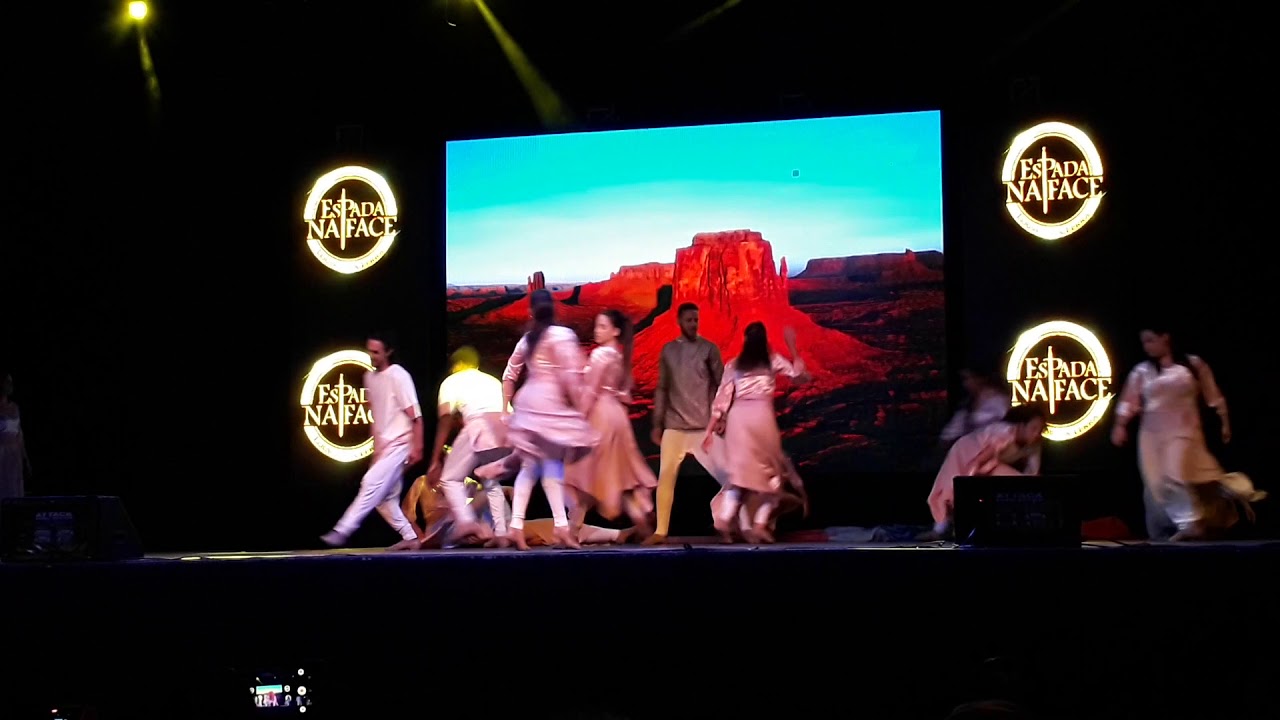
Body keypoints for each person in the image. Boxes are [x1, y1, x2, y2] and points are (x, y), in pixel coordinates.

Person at [1111, 325, 1264, 541]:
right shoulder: (1143, 371)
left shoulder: (1192, 365)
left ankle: (1191, 522)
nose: (1147, 347)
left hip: (1184, 431)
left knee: (1174, 473)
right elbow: (1129, 402)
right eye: (1144, 342)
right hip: (1152, 436)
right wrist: (1120, 425)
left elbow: (1213, 395)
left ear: (1165, 338)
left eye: (1151, 340)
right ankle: (1179, 527)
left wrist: (1225, 422)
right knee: (1157, 485)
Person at [500, 289, 599, 551]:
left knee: (534, 466)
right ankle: (557, 528)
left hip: (529, 405)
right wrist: (580, 407)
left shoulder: (528, 339)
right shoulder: (561, 336)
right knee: (547, 466)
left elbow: (509, 375)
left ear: (531, 311)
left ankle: (527, 527)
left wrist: (506, 408)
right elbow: (570, 375)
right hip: (549, 407)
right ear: (553, 309)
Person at [701, 322, 810, 543]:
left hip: (739, 420)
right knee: (772, 476)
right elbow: (799, 376)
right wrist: (794, 350)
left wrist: (709, 430)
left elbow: (722, 399)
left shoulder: (735, 365)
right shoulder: (772, 360)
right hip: (761, 417)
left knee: (741, 476)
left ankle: (724, 518)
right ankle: (760, 523)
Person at [322, 332, 423, 550]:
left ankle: (343, 529)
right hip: (385, 447)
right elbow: (377, 418)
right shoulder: (369, 377)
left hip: (401, 443)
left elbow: (416, 416)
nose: (372, 355)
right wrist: (376, 451)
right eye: (370, 350)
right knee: (384, 499)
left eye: (376, 352)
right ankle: (411, 537)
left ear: (388, 352)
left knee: (369, 483)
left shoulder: (398, 375)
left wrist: (418, 446)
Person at [564, 310, 658, 540]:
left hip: (600, 416)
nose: (597, 331)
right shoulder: (618, 355)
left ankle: (572, 531)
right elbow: (625, 393)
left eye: (603, 326)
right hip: (617, 417)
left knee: (580, 472)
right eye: (597, 326)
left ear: (615, 331)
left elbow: (590, 392)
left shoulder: (600, 356)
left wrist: (577, 421)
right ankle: (640, 513)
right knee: (612, 474)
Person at [646, 302, 732, 544]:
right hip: (674, 427)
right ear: (679, 322)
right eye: (689, 320)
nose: (693, 324)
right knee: (666, 478)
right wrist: (657, 423)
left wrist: (722, 417)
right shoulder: (668, 351)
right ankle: (660, 531)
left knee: (729, 478)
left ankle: (728, 526)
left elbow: (721, 386)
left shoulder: (709, 349)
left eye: (696, 320)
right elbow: (662, 387)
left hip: (703, 427)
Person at [424, 346, 509, 546]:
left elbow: (445, 417)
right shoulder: (492, 380)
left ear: (458, 365)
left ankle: (465, 522)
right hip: (506, 429)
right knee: (490, 480)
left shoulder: (452, 381)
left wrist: (436, 459)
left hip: (480, 425)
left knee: (450, 478)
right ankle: (502, 534)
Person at [925, 404, 1046, 539]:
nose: (1036, 433)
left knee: (1019, 482)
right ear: (1021, 425)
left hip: (992, 462)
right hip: (967, 452)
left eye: (1039, 430)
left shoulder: (1035, 443)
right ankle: (939, 529)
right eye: (1033, 428)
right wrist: (969, 484)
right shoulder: (1003, 433)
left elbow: (1033, 474)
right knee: (950, 488)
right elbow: (977, 461)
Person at [940, 368, 1010, 447]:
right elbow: (949, 434)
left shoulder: (999, 401)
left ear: (979, 379)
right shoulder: (967, 405)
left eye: (967, 379)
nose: (965, 384)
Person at [0, 373, 30, 500]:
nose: (10, 385)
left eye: (11, 382)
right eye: (7, 382)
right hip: (2, 454)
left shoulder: (15, 407)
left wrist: (25, 458)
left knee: (15, 490)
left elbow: (20, 434)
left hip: (14, 456)